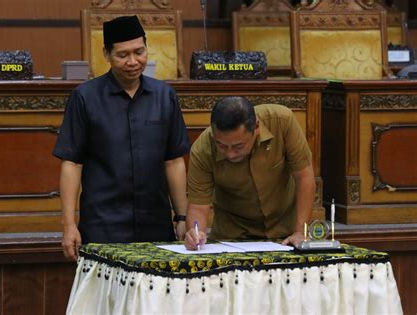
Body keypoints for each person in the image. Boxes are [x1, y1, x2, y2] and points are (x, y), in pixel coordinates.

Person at [53, 15, 190, 261]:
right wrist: (69, 224)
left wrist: (182, 217)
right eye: (123, 55)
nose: (133, 62)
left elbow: (174, 161)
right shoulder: (85, 98)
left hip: (155, 225)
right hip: (103, 226)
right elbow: (72, 163)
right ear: (106, 54)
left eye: (139, 52)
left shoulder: (164, 96)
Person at [184, 96, 315, 249]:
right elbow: (198, 206)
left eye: (238, 146)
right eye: (221, 146)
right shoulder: (202, 150)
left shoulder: (281, 121)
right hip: (232, 239)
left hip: (286, 233)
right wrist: (195, 234)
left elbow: (304, 177)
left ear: (256, 128)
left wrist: (300, 231)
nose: (230, 154)